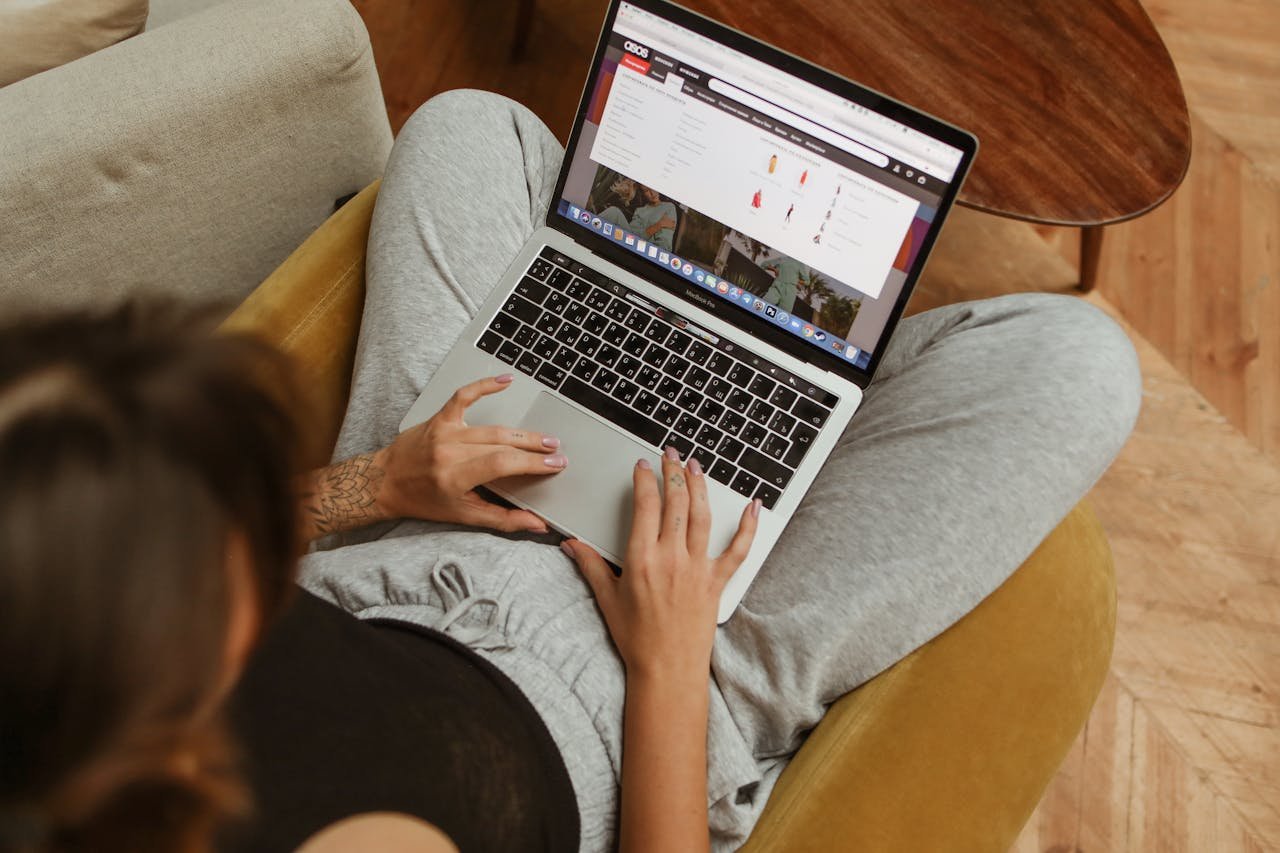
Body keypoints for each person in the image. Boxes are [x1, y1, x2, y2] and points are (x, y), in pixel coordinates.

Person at [0, 90, 1142, 853]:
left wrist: (383, 484)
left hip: (417, 544)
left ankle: (743, 361)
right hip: (664, 689)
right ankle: (795, 373)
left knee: (472, 124)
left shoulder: (55, 639)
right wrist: (670, 656)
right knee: (1073, 362)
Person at [599, 183, 677, 250]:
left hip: (649, 251)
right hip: (631, 242)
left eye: (654, 187)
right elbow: (633, 236)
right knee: (613, 212)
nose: (652, 193)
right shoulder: (639, 210)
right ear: (643, 193)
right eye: (647, 190)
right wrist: (658, 225)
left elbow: (664, 243)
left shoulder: (669, 207)